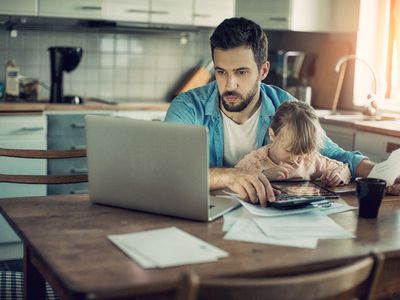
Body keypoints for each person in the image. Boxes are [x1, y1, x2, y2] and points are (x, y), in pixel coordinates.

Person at [164, 17, 400, 206]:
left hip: (268, 217)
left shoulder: (285, 107)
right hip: (206, 215)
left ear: (263, 70)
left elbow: (337, 156)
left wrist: (381, 173)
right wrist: (229, 176)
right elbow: (169, 170)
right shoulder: (187, 107)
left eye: (242, 72)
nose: (229, 84)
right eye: (221, 71)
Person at [235, 101, 351, 186]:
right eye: (289, 151)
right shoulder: (255, 162)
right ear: (272, 135)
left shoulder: (309, 160)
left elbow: (344, 168)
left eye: (302, 153)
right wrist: (263, 175)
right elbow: (234, 180)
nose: (296, 160)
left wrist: (337, 175)